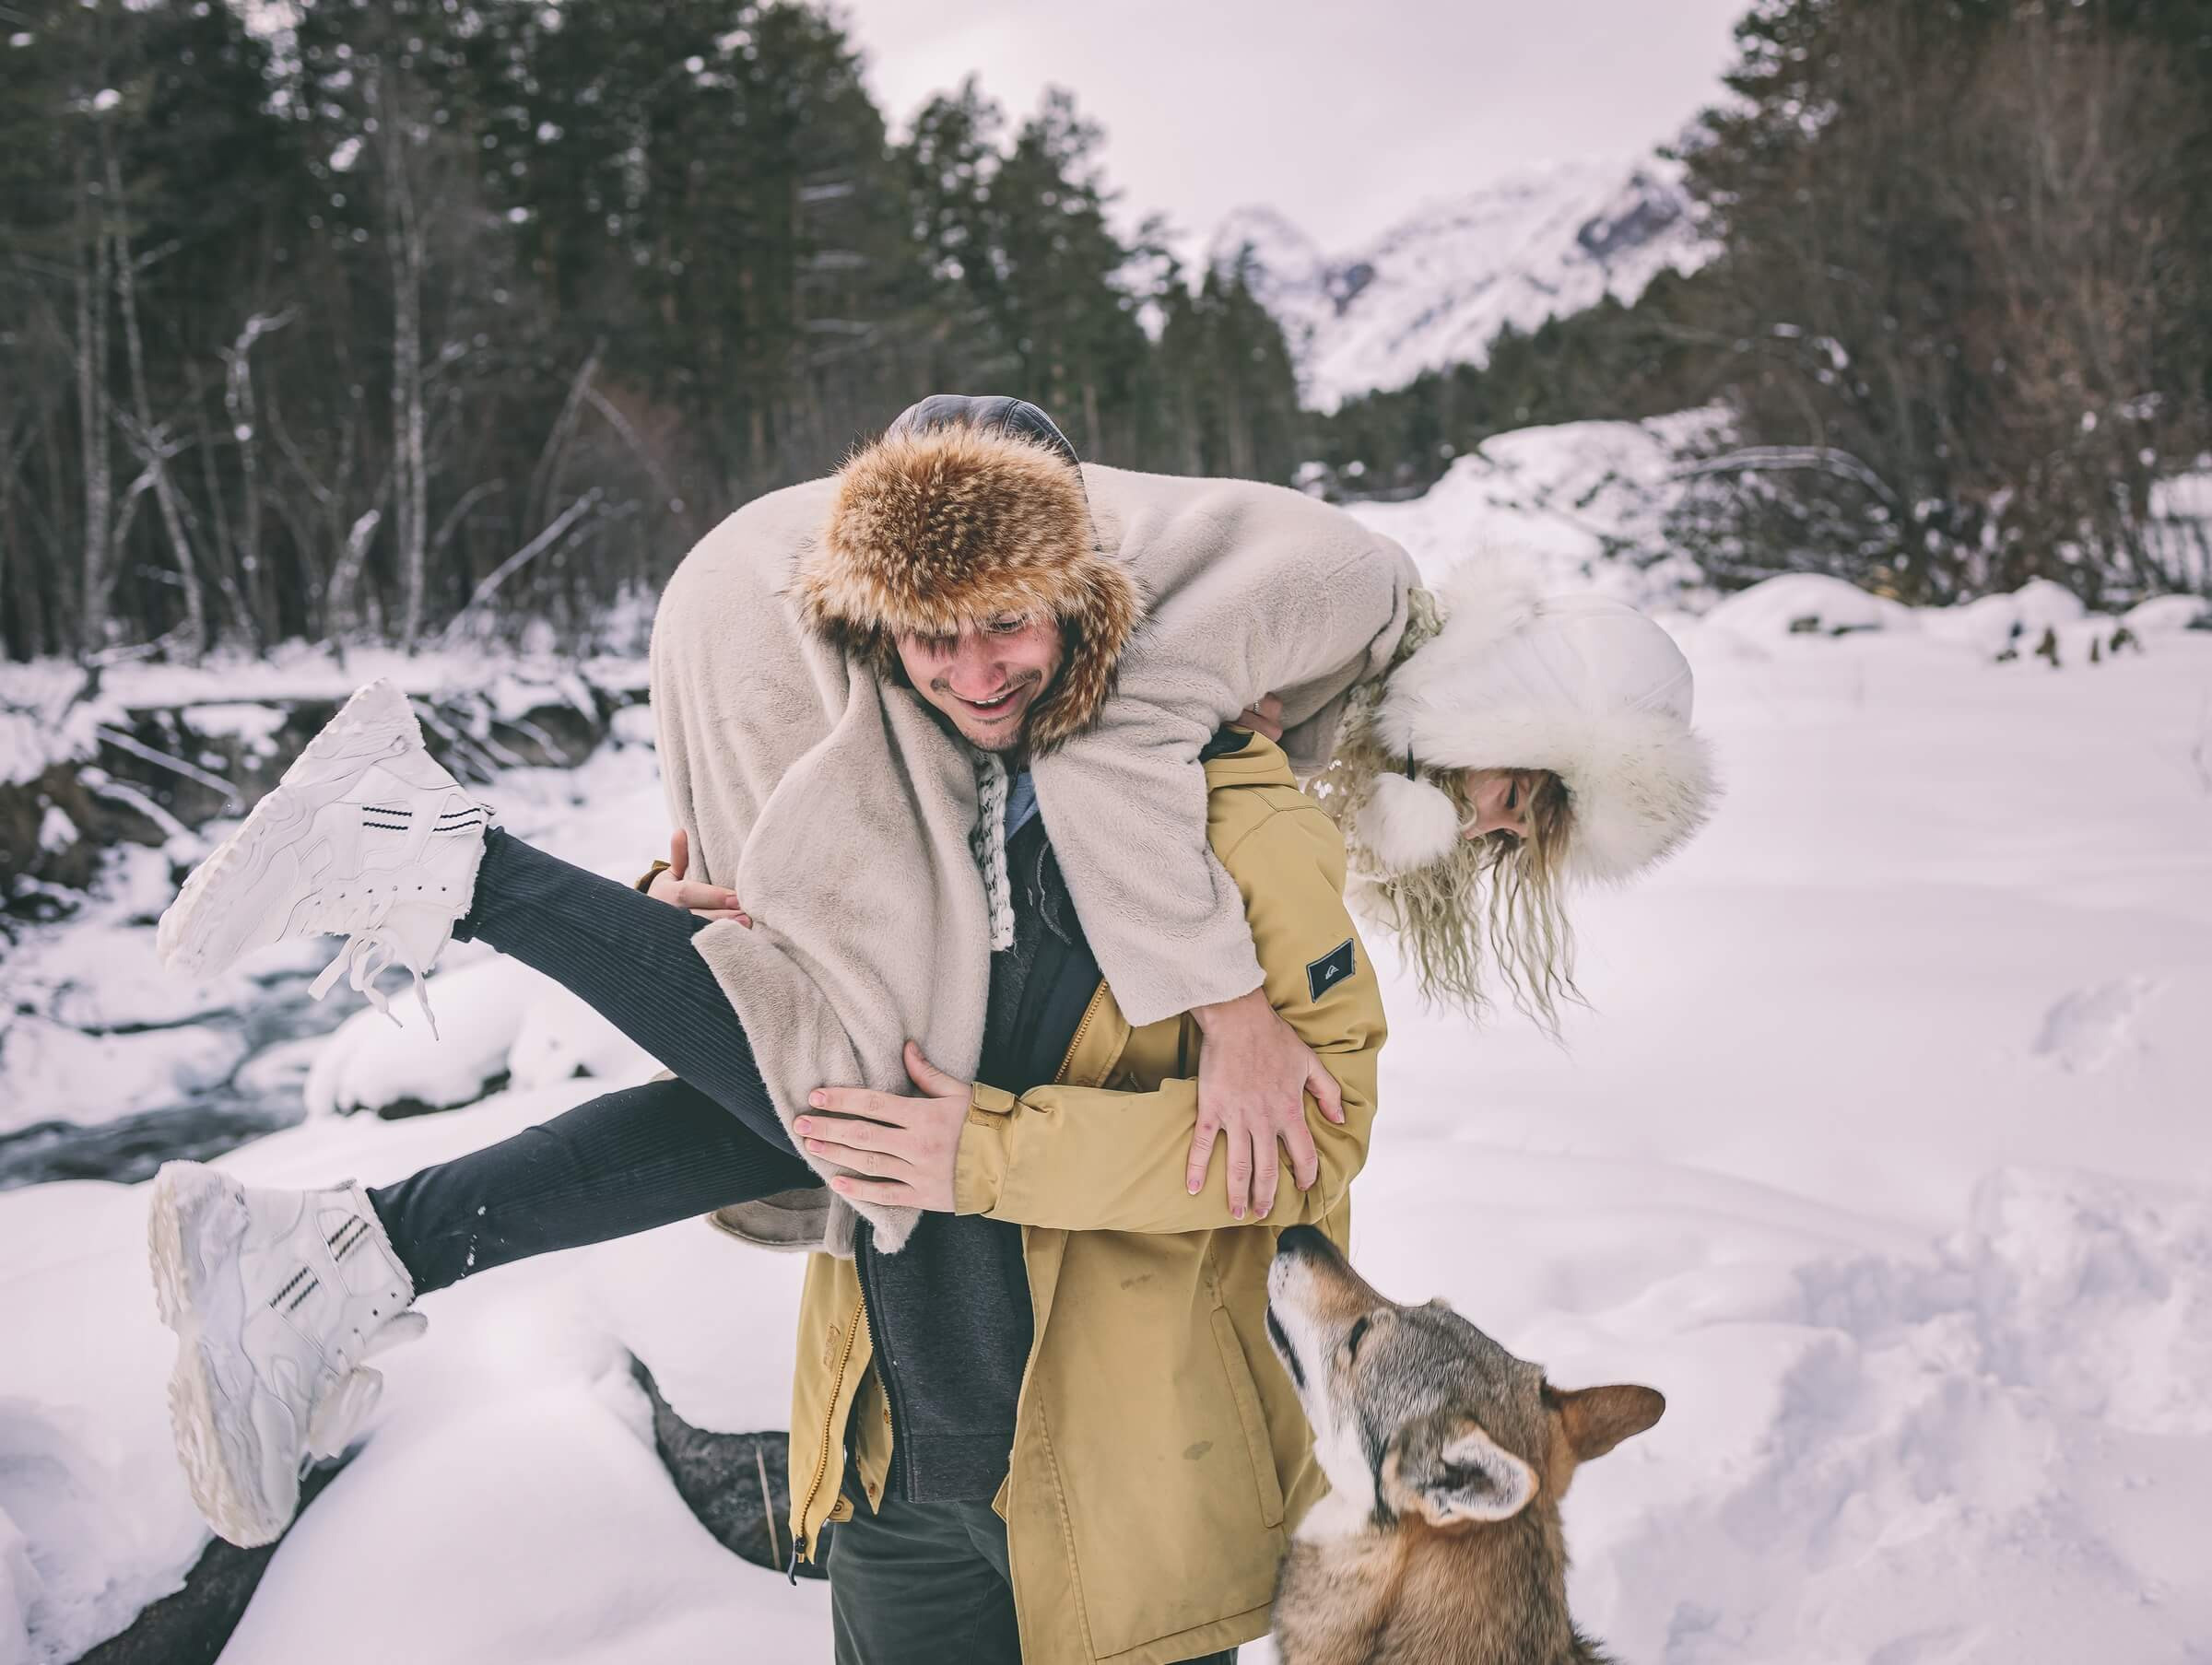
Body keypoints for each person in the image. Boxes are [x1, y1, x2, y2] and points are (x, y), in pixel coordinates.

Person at [147, 399, 1715, 1663]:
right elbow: (1108, 733)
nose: (1492, 835)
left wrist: (752, 897)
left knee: (837, 1095)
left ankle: (344, 1250)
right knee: (853, 1080)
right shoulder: (1344, 604)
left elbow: (1095, 751)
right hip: (802, 601)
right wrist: (1229, 1012)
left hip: (806, 603)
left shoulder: (1274, 737)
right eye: (1521, 800)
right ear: (1511, 720)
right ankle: (437, 865)